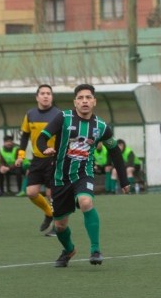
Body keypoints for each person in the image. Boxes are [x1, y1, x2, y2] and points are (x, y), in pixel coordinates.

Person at [36, 84, 129, 267]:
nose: (84, 101)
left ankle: (95, 250)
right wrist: (44, 148)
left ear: (94, 101)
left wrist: (124, 180)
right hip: (60, 178)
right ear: (75, 102)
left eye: (88, 97)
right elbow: (42, 137)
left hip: (83, 174)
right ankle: (69, 250)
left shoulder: (101, 127)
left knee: (86, 202)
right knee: (60, 225)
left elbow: (115, 153)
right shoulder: (63, 118)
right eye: (80, 98)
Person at [15, 84, 62, 235]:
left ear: (52, 97)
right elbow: (24, 137)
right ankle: (49, 213)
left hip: (53, 159)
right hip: (36, 159)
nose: (46, 96)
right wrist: (20, 156)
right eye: (42, 93)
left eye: (49, 93)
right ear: (37, 97)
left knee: (52, 193)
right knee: (31, 192)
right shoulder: (30, 114)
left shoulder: (58, 114)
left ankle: (57, 225)